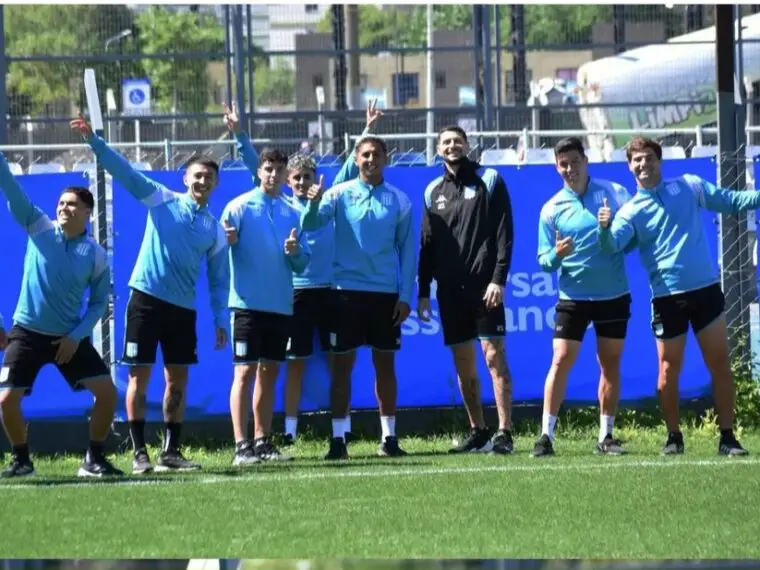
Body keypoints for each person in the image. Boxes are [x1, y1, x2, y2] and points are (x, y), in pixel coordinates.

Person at [70, 113, 230, 474]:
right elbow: (124, 172)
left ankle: (171, 452)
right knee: (138, 378)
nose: (202, 181)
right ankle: (139, 452)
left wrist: (221, 318)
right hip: (145, 301)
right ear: (185, 179)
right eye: (197, 175)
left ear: (216, 184)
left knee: (177, 381)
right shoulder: (161, 199)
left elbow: (220, 281)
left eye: (209, 177)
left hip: (182, 311)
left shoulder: (215, 230)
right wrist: (95, 142)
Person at [598, 136, 755, 456]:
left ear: (659, 160)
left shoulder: (689, 185)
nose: (643, 164)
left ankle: (728, 438)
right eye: (636, 160)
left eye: (648, 158)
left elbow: (731, 200)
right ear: (630, 166)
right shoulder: (630, 212)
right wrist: (604, 228)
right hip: (667, 300)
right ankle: (674, 437)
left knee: (720, 364)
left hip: (706, 292)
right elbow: (612, 245)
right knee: (668, 371)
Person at [0, 151, 122, 478]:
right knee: (6, 400)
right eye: (61, 203)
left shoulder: (95, 254)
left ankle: (93, 460)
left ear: (87, 213)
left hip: (68, 337)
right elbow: (12, 190)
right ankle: (21, 460)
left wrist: (76, 336)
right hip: (26, 333)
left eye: (72, 204)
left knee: (108, 394)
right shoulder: (38, 226)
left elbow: (98, 304)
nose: (64, 208)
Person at [301, 136, 416, 460]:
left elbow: (407, 253)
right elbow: (310, 224)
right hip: (344, 295)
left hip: (384, 296)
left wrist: (405, 296)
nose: (371, 160)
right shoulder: (338, 194)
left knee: (385, 366)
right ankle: (338, 441)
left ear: (386, 159)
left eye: (376, 155)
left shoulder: (400, 201)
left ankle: (389, 439)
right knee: (342, 367)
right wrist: (312, 201)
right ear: (356, 158)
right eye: (365, 155)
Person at [282, 98, 383, 445]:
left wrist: (368, 127)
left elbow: (351, 167)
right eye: (295, 177)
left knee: (339, 363)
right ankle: (290, 433)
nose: (301, 182)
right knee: (295, 364)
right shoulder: (280, 208)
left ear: (315, 178)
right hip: (296, 292)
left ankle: (341, 429)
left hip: (332, 291)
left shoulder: (329, 194)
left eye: (307, 176)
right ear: (286, 180)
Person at [532, 137, 634, 458]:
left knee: (609, 363)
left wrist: (610, 230)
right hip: (573, 298)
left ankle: (606, 436)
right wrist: (557, 255)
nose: (570, 169)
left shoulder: (615, 194)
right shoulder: (551, 209)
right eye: (563, 163)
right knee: (561, 359)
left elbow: (628, 243)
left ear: (586, 161)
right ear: (556, 167)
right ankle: (545, 437)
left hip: (613, 295)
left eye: (575, 161)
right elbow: (544, 259)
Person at [417, 126, 515, 455]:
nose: (452, 146)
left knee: (493, 356)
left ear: (467, 145)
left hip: (485, 288)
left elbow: (504, 233)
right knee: (463, 362)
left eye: (457, 141)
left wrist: (498, 279)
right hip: (449, 292)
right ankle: (479, 431)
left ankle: (504, 432)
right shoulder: (432, 191)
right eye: (445, 142)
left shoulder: (490, 179)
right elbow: (427, 246)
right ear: (438, 149)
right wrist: (423, 291)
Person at [222, 147, 311, 464]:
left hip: (280, 307)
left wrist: (294, 251)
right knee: (243, 373)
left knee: (268, 374)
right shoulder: (238, 207)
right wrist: (226, 242)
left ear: (286, 175)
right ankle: (240, 446)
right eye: (268, 169)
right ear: (259, 171)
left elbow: (302, 264)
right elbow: (218, 251)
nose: (273, 175)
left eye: (279, 169)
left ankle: (262, 441)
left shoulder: (294, 212)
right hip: (246, 307)